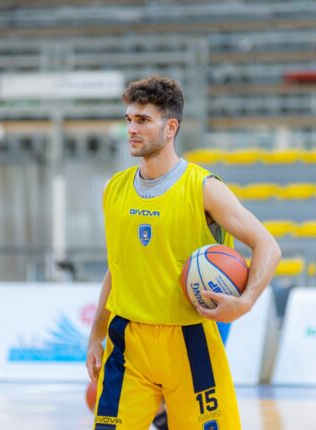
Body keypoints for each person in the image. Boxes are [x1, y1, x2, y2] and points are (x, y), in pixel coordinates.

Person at [86, 75, 281, 430]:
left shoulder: (204, 188)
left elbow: (267, 245)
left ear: (170, 127)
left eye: (143, 120)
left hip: (191, 340)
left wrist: (246, 301)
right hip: (128, 342)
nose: (132, 129)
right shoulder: (113, 190)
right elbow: (117, 268)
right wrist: (96, 336)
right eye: (129, 119)